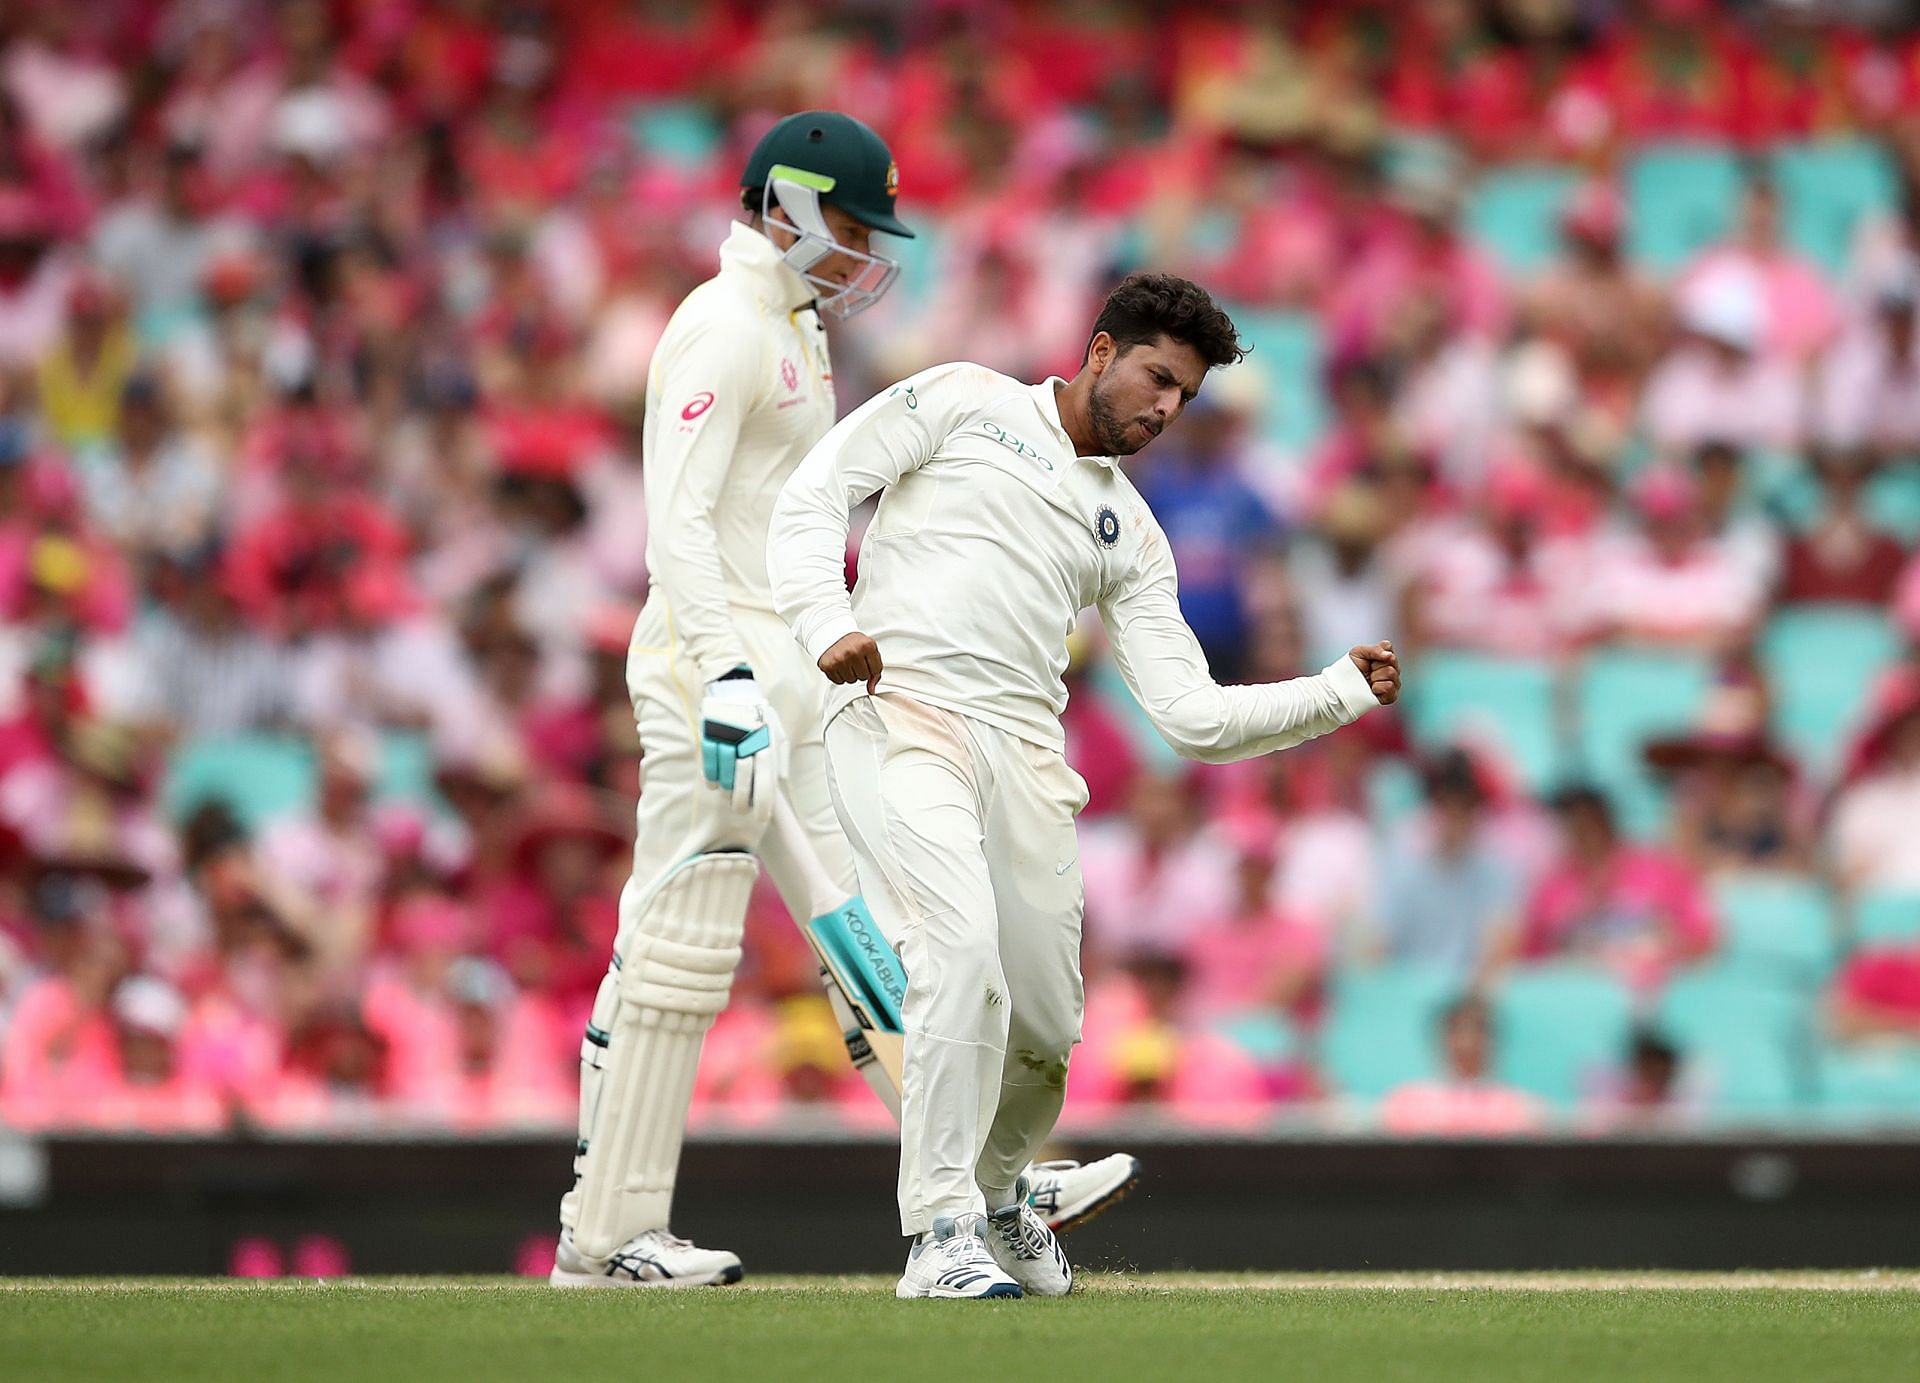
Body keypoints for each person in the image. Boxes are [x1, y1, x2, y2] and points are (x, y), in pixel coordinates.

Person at [552, 112, 1136, 1291]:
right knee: (680, 946)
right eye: (855, 225)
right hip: (708, 675)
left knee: (875, 933)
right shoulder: (720, 326)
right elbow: (681, 526)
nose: (868, 251)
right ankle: (605, 1240)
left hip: (796, 671)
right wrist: (720, 677)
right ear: (791, 206)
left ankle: (983, 1186)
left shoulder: (794, 328)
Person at [769, 273, 1399, 1300]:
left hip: (1024, 759)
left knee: (1049, 1033)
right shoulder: (965, 400)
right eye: (1157, 377)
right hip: (900, 715)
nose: (1164, 409)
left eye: (1185, 398)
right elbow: (816, 492)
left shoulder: (1132, 533)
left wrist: (1334, 692)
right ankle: (939, 1234)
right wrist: (824, 621)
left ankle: (1006, 1198)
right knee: (960, 953)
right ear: (1101, 351)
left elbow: (1193, 717)